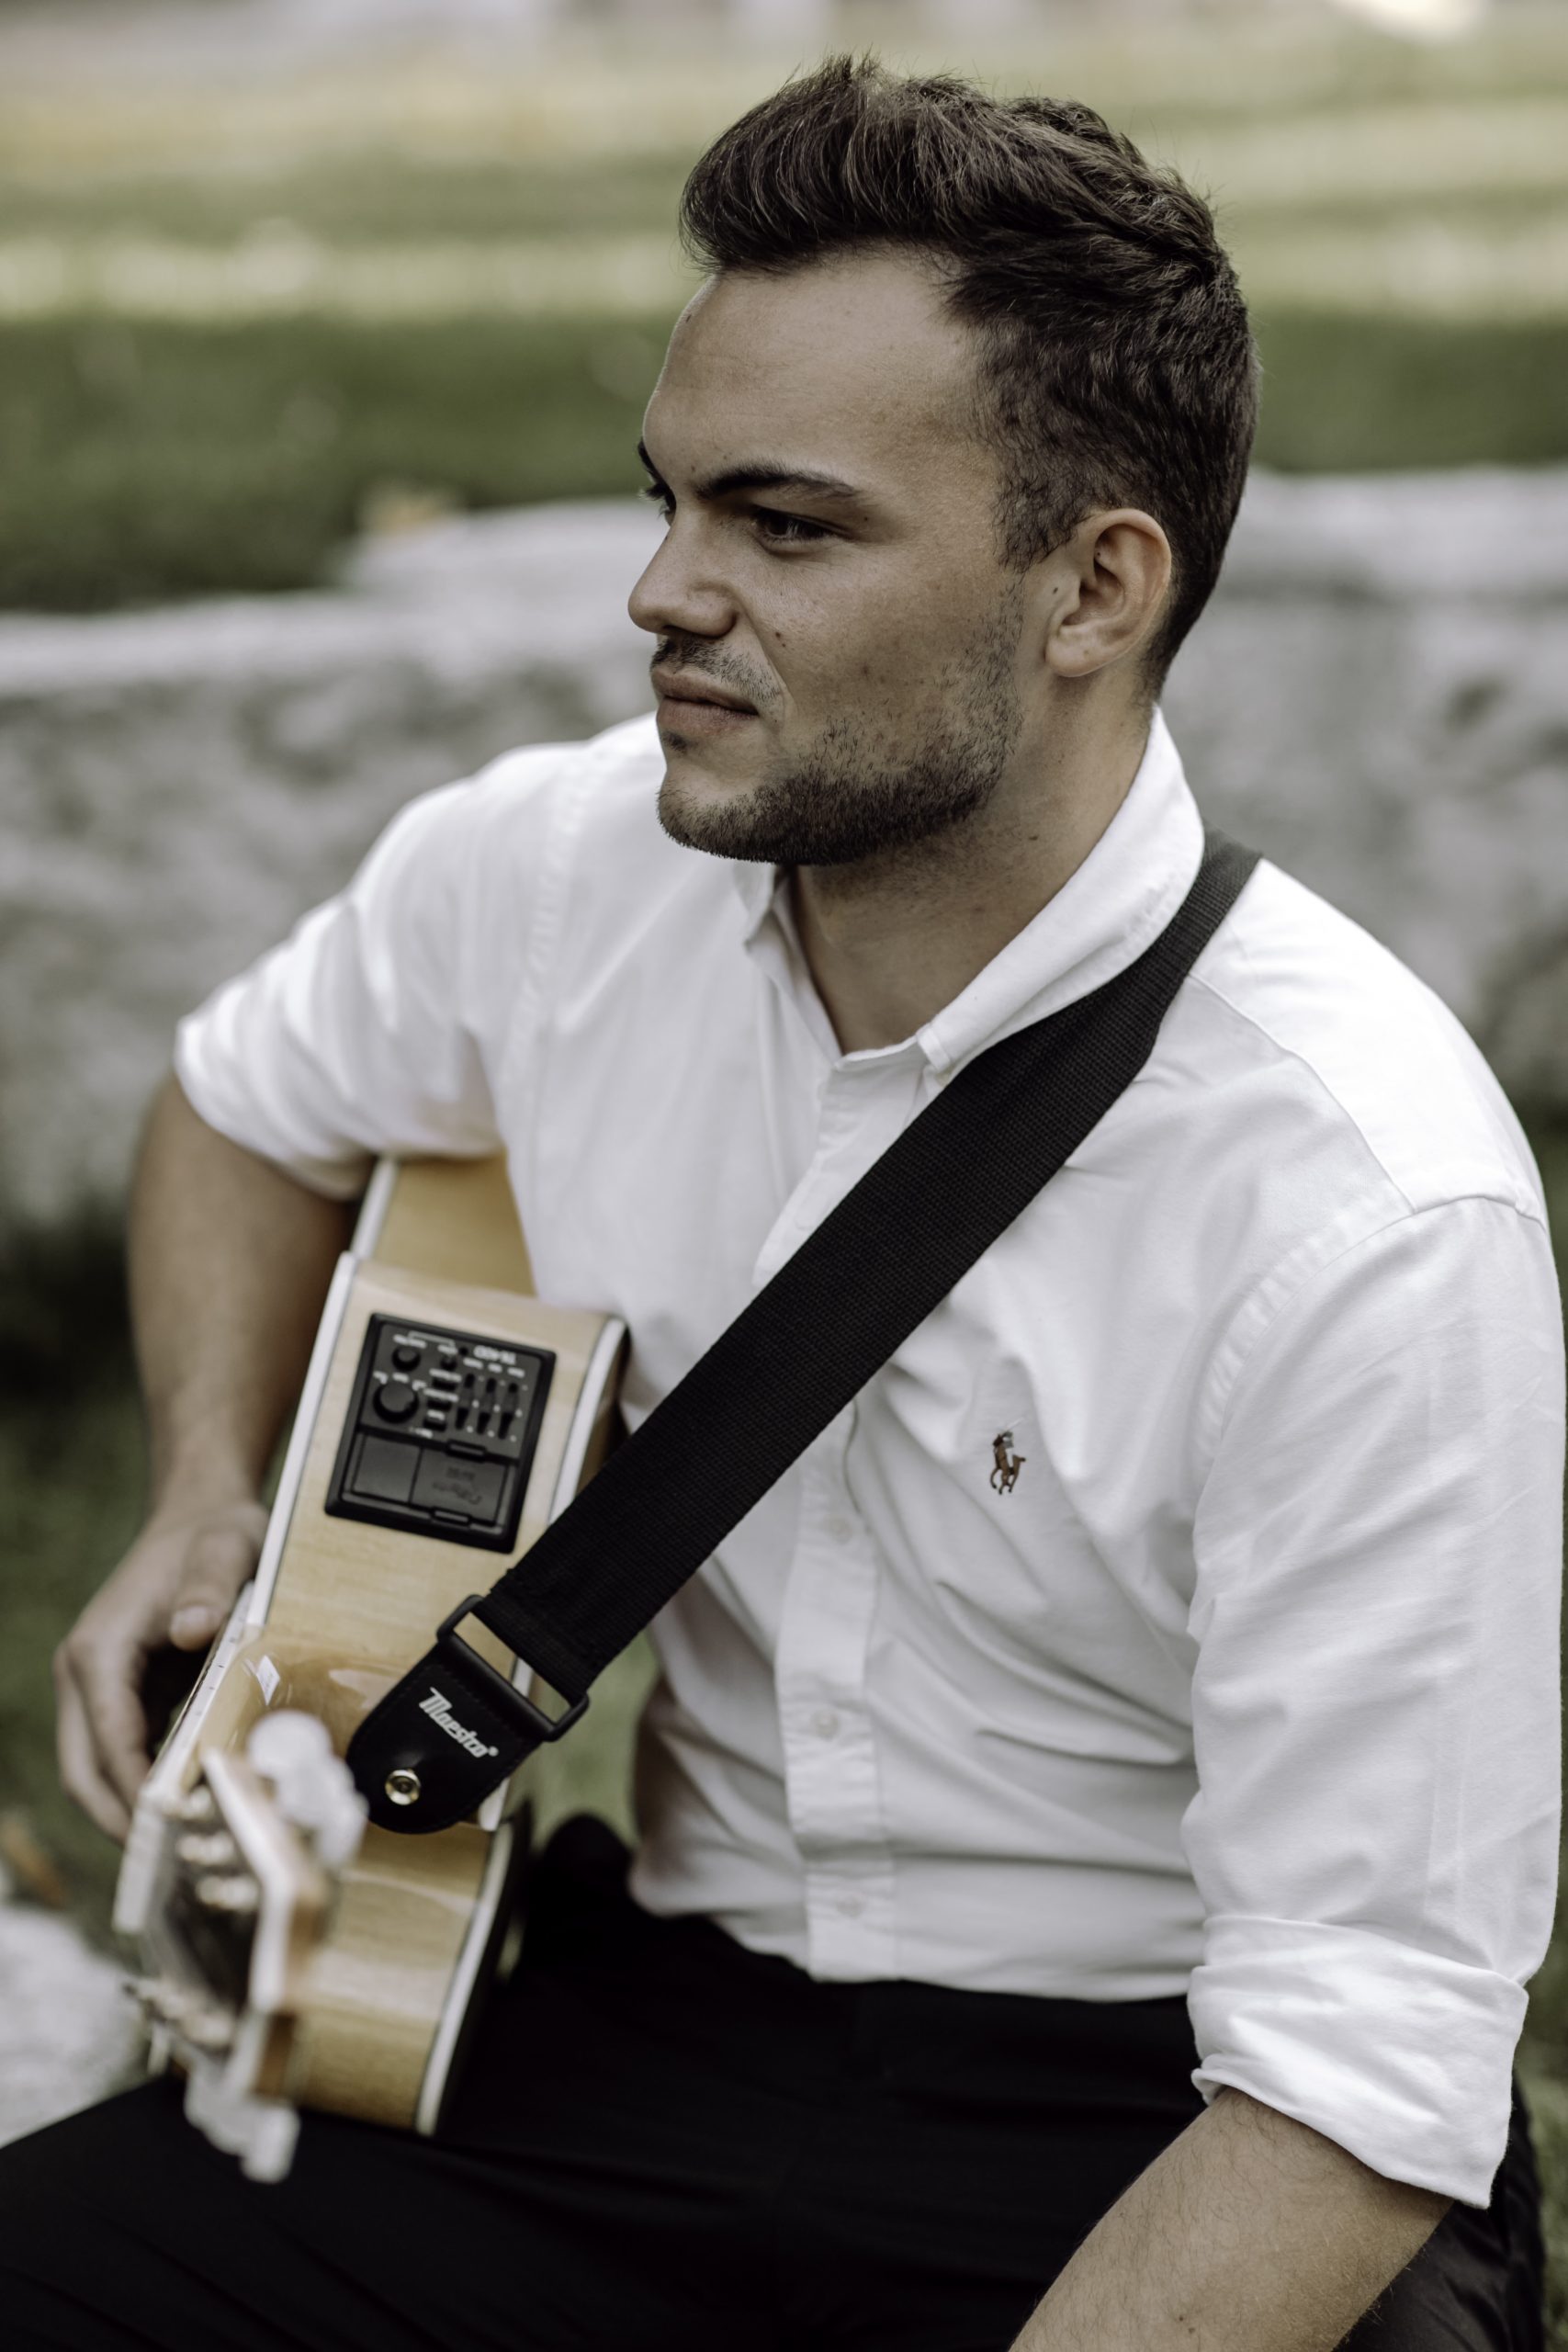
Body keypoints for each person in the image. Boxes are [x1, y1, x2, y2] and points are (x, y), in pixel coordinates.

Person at [5, 56, 1560, 2352]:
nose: (661, 590)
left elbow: (1348, 2088)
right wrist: (210, 1495)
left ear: (1092, 586)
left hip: (1163, 2117)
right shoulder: (548, 876)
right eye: (669, 499)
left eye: (787, 527)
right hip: (651, 2028)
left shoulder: (1362, 1198)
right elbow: (245, 1105)